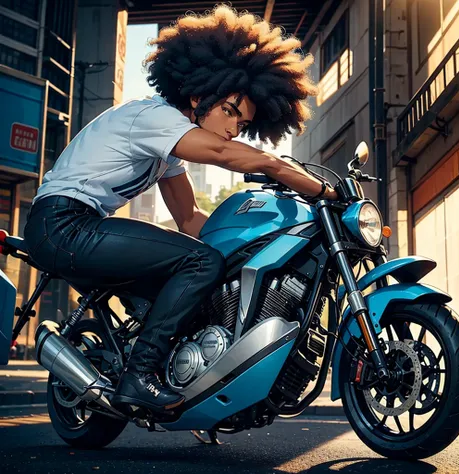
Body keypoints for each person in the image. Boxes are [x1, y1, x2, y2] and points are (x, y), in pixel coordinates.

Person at [23, 5, 337, 414]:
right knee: (199, 262)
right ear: (197, 95)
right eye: (229, 111)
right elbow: (227, 154)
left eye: (241, 126)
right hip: (60, 224)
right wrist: (314, 186)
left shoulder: (167, 156)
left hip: (83, 227)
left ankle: (179, 375)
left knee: (204, 273)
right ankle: (140, 377)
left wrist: (246, 246)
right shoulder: (152, 116)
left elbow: (190, 219)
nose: (231, 129)